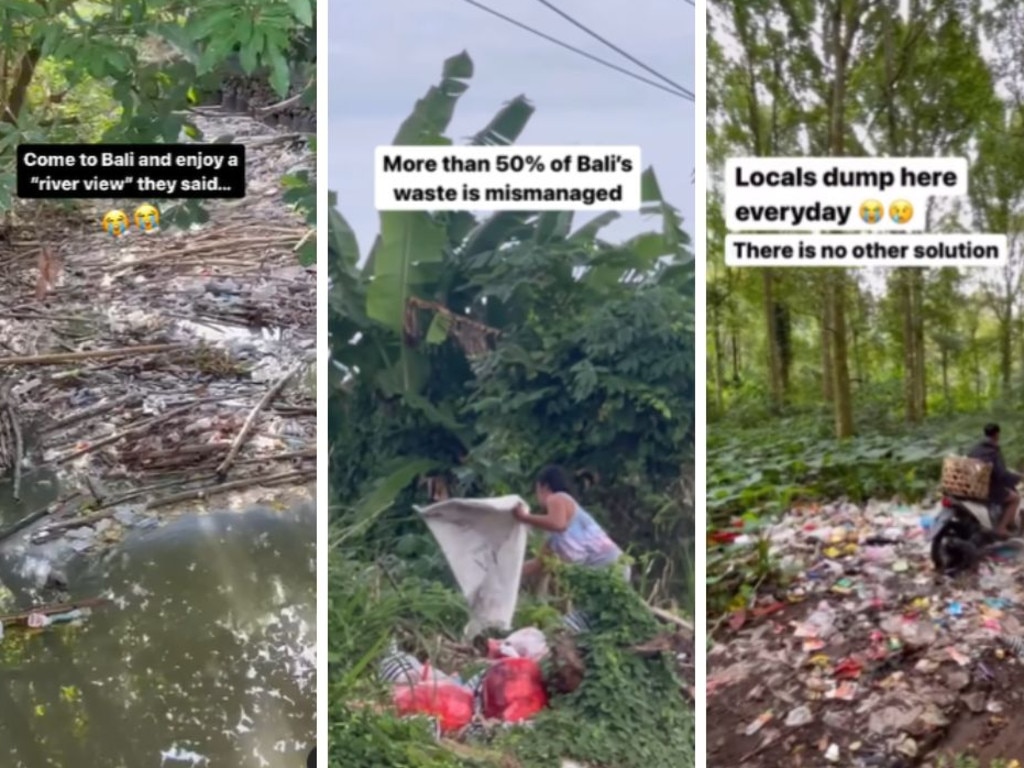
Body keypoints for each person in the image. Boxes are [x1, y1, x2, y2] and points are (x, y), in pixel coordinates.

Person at [514, 465, 629, 580]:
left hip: (606, 565)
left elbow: (558, 524)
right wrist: (508, 574)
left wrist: (523, 517)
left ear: (543, 486)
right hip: (613, 566)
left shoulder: (557, 498)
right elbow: (539, 564)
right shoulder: (554, 538)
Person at [968, 423, 1021, 538]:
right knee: (1015, 498)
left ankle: (1007, 523)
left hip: (971, 484)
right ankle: (1001, 528)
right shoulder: (993, 450)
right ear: (997, 434)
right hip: (988, 487)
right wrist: (1017, 478)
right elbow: (1000, 474)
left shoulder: (975, 448)